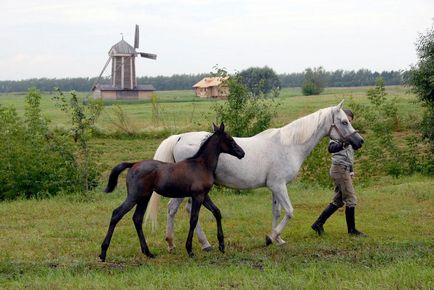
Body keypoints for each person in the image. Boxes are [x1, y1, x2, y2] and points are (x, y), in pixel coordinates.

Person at [311, 109, 367, 237]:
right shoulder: (338, 134)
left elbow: (349, 156)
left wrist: (351, 170)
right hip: (339, 169)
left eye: (350, 121)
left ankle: (318, 224)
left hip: (344, 169)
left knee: (338, 201)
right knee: (351, 199)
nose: (349, 122)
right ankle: (352, 231)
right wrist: (343, 143)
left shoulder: (349, 134)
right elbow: (331, 148)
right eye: (347, 120)